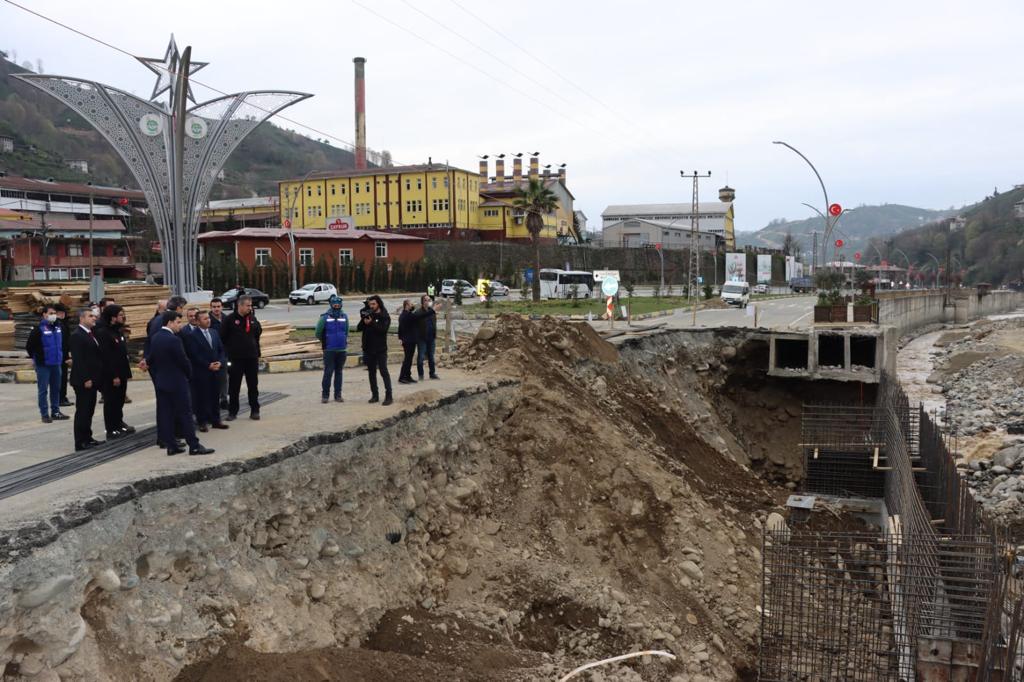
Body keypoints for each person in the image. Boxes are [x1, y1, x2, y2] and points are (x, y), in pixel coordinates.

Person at [147, 310, 214, 456]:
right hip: (177, 382)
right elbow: (183, 361)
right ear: (170, 322)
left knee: (166, 414)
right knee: (185, 414)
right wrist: (189, 374)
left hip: (161, 382)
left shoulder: (156, 337)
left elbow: (150, 359)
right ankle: (194, 445)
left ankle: (171, 445)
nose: (180, 325)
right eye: (178, 322)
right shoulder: (174, 340)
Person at [183, 310, 229, 432]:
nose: (208, 320)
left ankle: (216, 420)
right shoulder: (192, 336)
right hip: (202, 372)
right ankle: (202, 421)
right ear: (198, 321)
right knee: (201, 397)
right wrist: (207, 365)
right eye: (204, 319)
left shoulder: (214, 332)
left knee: (215, 395)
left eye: (208, 318)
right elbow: (193, 355)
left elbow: (221, 349)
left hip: (216, 370)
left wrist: (220, 362)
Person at [96, 304, 135, 439]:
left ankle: (119, 424)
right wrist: (114, 375)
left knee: (119, 401)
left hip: (122, 372)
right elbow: (106, 357)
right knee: (111, 402)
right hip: (112, 375)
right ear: (112, 317)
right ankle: (111, 429)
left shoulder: (117, 331)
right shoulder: (103, 332)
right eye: (120, 314)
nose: (123, 316)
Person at [25, 305, 69, 424]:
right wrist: (37, 358)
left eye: (54, 313)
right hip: (43, 364)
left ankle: (55, 411)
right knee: (43, 390)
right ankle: (44, 414)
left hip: (56, 364)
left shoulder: (58, 327)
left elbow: (62, 344)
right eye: (50, 313)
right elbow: (29, 347)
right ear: (44, 314)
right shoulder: (38, 329)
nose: (53, 315)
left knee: (56, 389)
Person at [221, 294, 262, 420]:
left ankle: (255, 410)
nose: (250, 308)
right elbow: (222, 338)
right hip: (235, 359)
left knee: (253, 385)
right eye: (248, 305)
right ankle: (233, 412)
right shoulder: (229, 320)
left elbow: (258, 333)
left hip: (251, 358)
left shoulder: (252, 319)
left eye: (251, 305)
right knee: (234, 386)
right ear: (240, 305)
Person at [69, 307, 103, 451]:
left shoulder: (90, 333)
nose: (94, 318)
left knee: (89, 410)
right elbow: (79, 360)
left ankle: (88, 437)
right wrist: (86, 378)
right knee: (83, 410)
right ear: (82, 318)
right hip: (83, 380)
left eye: (94, 316)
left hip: (92, 378)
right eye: (90, 316)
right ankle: (80, 441)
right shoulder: (77, 335)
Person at [357, 295, 392, 405]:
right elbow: (358, 328)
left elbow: (383, 330)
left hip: (380, 349)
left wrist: (372, 323)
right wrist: (364, 321)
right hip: (368, 349)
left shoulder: (384, 316)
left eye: (374, 304)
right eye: (370, 304)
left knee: (383, 372)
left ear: (379, 304)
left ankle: (389, 396)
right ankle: (375, 395)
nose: (371, 306)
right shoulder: (368, 314)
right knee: (371, 373)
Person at [315, 294, 349, 403]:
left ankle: (338, 395)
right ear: (330, 304)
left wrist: (343, 340)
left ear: (341, 304)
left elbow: (346, 331)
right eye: (334, 303)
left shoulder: (344, 316)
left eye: (338, 303)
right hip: (329, 349)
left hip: (341, 349)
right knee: (328, 372)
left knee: (339, 372)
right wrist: (325, 341)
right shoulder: (324, 317)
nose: (336, 305)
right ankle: (325, 395)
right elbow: (318, 332)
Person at [413, 294, 439, 381]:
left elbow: (433, 323)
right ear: (422, 302)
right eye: (426, 300)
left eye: (429, 300)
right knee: (420, 357)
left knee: (431, 356)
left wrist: (435, 334)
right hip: (422, 338)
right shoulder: (418, 312)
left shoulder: (432, 311)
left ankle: (432, 373)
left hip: (431, 338)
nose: (428, 302)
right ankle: (421, 375)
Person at [209, 297, 229, 409]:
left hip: (224, 354)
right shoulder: (207, 320)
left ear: (222, 307)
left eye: (218, 306)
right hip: (212, 354)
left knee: (224, 377)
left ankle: (224, 399)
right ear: (211, 308)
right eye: (214, 307)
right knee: (212, 379)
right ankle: (213, 399)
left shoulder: (226, 318)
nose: (216, 309)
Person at [54, 304, 74, 407]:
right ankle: (61, 398)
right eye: (60, 313)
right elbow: (64, 342)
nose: (62, 314)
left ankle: (62, 397)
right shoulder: (59, 324)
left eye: (63, 313)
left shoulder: (62, 324)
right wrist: (68, 354)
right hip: (62, 355)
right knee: (61, 377)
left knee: (61, 377)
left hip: (62, 354)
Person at [397, 299, 418, 384]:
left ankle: (408, 376)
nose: (412, 305)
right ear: (407, 305)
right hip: (408, 340)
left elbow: (400, 328)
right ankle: (402, 377)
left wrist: (400, 337)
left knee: (409, 359)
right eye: (411, 304)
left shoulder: (405, 314)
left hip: (409, 339)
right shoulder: (406, 315)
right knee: (407, 359)